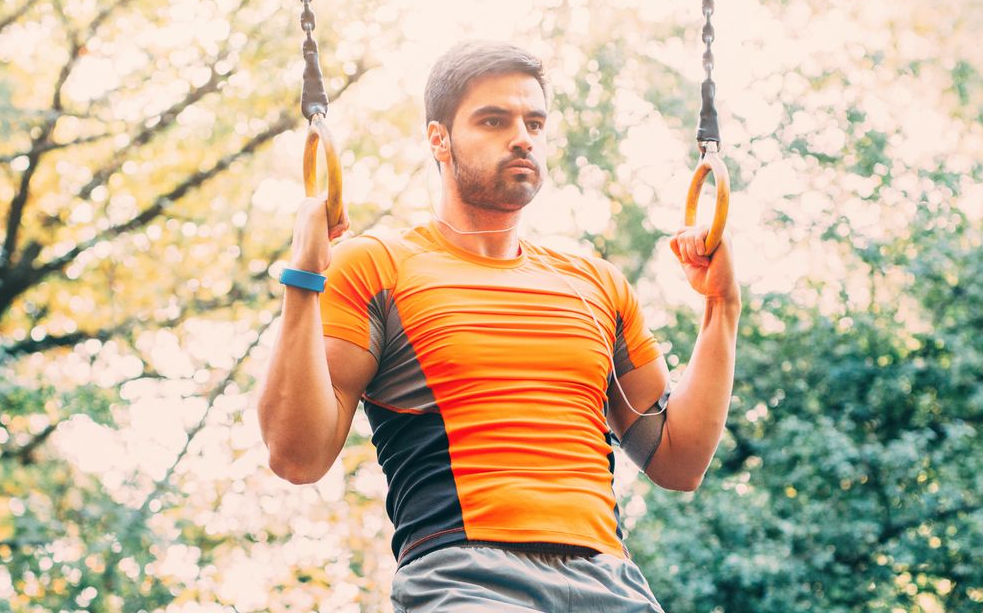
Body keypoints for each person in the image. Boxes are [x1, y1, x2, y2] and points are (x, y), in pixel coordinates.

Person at [258, 41, 740, 612]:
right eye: (494, 120)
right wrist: (304, 278)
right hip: (465, 578)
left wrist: (722, 308)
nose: (522, 137)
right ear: (439, 138)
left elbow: (677, 461)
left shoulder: (596, 283)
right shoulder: (377, 264)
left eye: (534, 122)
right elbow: (297, 456)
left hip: (612, 582)